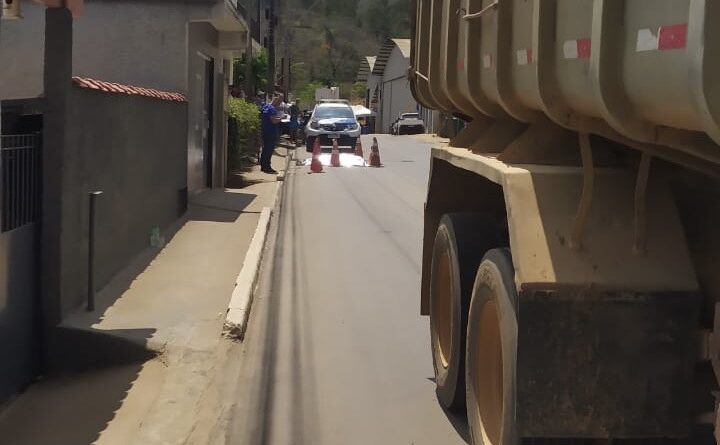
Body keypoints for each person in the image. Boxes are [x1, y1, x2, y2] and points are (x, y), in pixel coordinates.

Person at [260, 94, 285, 174]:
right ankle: (267, 167)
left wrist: (278, 118)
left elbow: (269, 118)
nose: (279, 104)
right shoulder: (272, 109)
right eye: (279, 102)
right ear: (276, 101)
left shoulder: (266, 107)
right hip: (271, 132)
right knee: (269, 150)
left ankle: (263, 166)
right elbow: (273, 121)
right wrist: (281, 118)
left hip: (265, 131)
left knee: (265, 149)